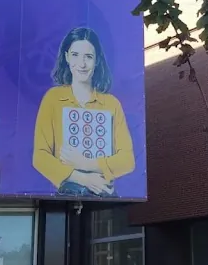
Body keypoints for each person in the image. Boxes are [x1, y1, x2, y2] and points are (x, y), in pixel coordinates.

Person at [33, 27, 134, 197]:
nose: (82, 64)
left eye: (88, 57)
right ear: (66, 57)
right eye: (75, 55)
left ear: (97, 61)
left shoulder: (111, 104)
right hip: (66, 196)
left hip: (105, 194)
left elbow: (127, 160)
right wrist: (84, 179)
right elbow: (40, 157)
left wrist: (86, 163)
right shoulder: (53, 99)